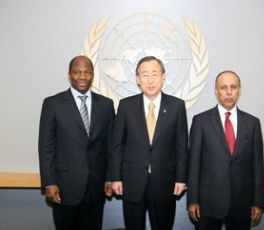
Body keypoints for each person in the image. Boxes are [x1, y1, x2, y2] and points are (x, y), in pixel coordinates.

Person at [108, 56, 188, 230]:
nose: (150, 80)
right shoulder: (126, 106)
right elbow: (117, 145)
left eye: (155, 74)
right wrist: (115, 177)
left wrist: (181, 178)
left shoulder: (177, 106)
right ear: (138, 79)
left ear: (163, 77)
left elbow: (181, 146)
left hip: (165, 181)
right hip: (132, 181)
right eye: (145, 75)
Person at [38, 55, 115, 230]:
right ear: (69, 75)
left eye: (87, 72)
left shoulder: (106, 105)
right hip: (64, 187)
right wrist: (49, 183)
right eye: (77, 72)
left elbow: (111, 146)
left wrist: (110, 178)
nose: (82, 77)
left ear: (92, 75)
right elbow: (46, 147)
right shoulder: (53, 104)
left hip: (96, 187)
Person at [187, 70, 264, 230]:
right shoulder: (200, 121)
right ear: (216, 91)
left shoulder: (252, 123)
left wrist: (258, 202)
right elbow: (193, 164)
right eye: (223, 87)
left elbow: (257, 166)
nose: (229, 92)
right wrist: (192, 200)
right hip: (208, 202)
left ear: (239, 90)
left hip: (242, 202)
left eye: (233, 87)